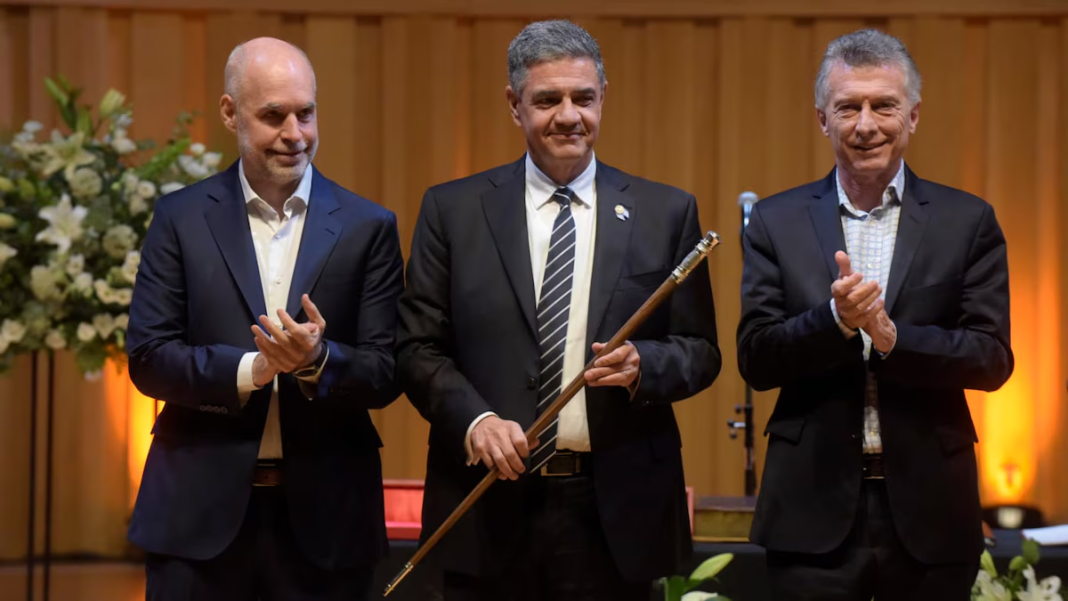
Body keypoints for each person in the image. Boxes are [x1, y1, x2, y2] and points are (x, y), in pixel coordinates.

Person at [396, 19, 721, 601]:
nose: (568, 116)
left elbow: (701, 352)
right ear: (514, 105)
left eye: (583, 98)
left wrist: (645, 364)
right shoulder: (452, 211)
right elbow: (417, 348)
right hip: (487, 503)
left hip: (615, 509)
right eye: (547, 99)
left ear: (603, 100)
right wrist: (476, 421)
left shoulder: (666, 211)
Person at [738, 28, 1013, 600]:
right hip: (810, 511)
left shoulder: (968, 221)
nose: (866, 125)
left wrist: (891, 338)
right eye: (848, 107)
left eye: (883, 106)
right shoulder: (774, 221)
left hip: (932, 511)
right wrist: (834, 322)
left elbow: (991, 359)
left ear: (912, 116)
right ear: (822, 119)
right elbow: (756, 358)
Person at [126, 37, 404, 601]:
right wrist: (252, 369)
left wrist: (317, 360)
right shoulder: (179, 218)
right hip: (196, 519)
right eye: (273, 115)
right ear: (231, 112)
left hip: (328, 520)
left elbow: (387, 370)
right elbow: (149, 357)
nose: (295, 134)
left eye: (306, 113)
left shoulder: (368, 225)